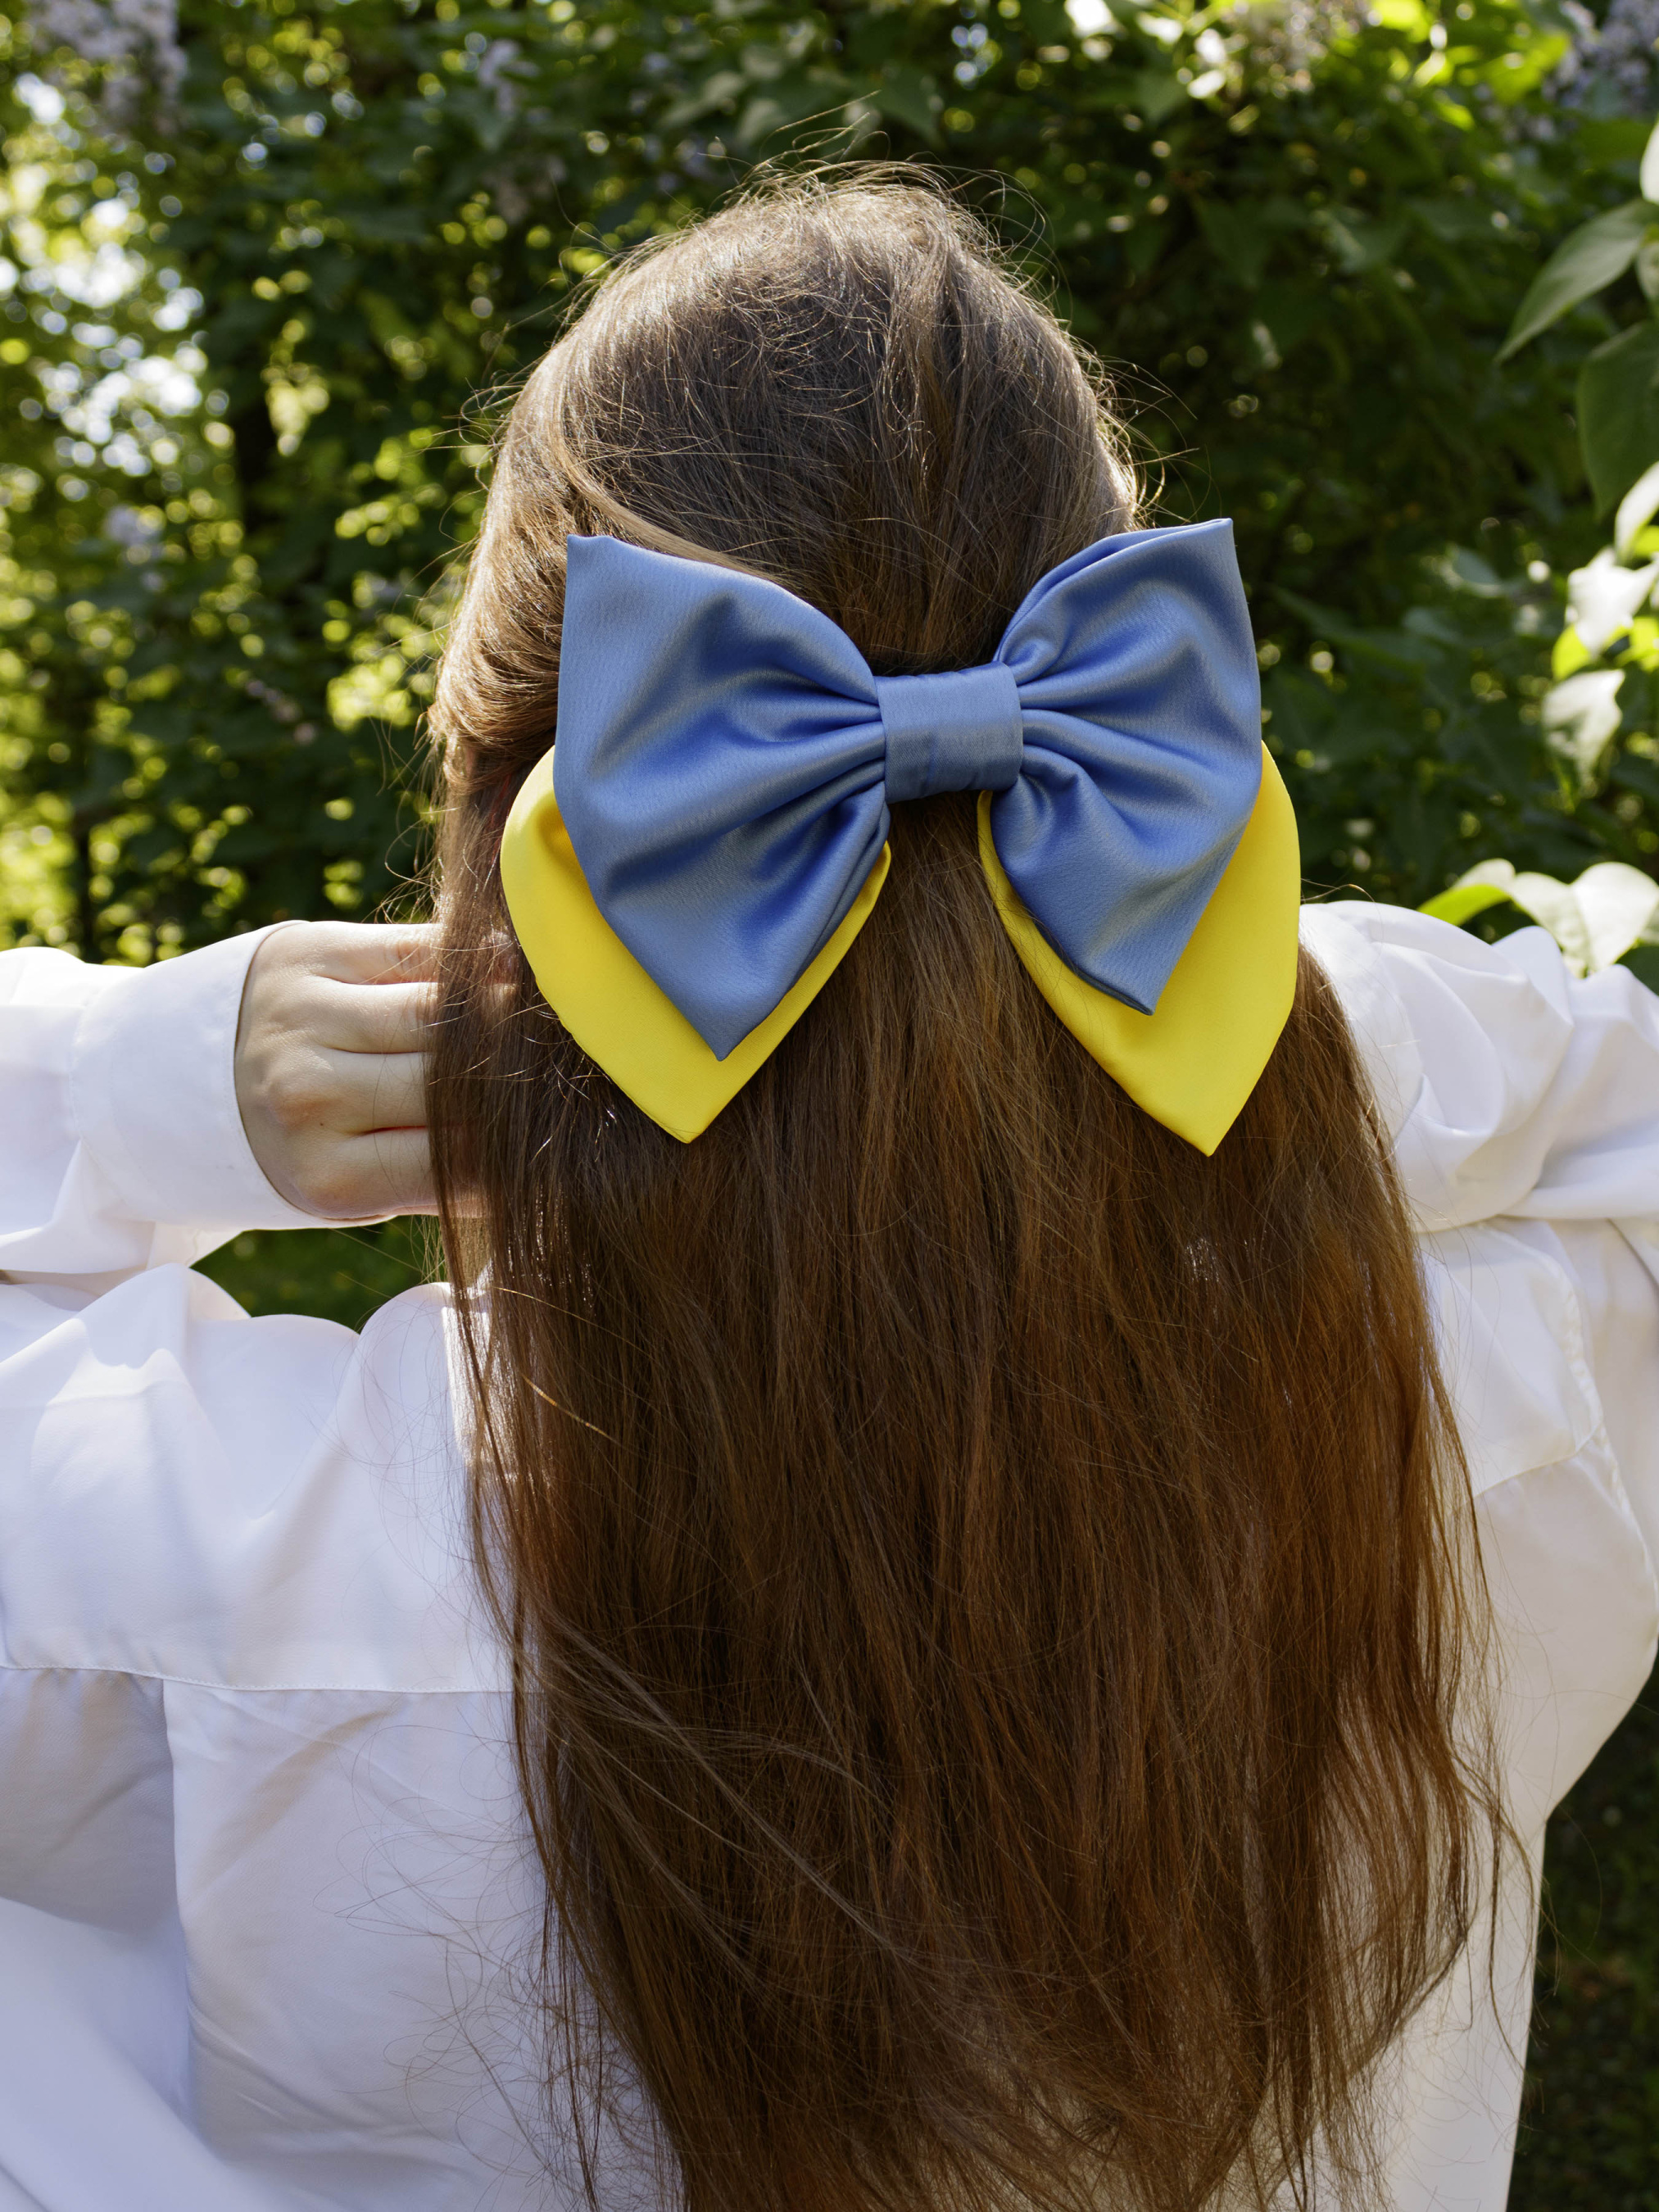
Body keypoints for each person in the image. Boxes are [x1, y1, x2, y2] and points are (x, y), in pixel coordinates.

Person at [2, 176, 1657, 2212]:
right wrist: (1208, 1035)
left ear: (537, 816)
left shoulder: (178, 1551)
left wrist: (149, 1080)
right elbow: (1612, 1086)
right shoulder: (1468, 1416)